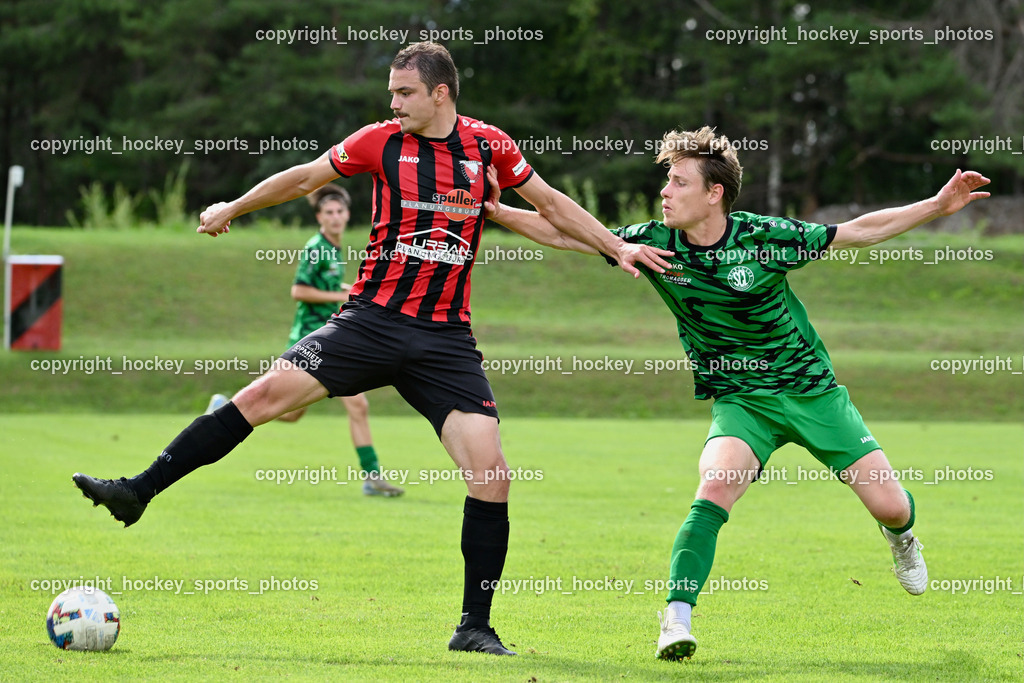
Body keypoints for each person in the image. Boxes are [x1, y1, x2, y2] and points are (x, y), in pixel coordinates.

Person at [72, 41, 672, 656]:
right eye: (391, 91)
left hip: (444, 340)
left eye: (405, 92)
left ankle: (474, 627)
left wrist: (615, 246)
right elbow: (305, 176)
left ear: (441, 93)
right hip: (370, 322)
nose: (393, 102)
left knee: (491, 476)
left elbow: (549, 206)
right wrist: (235, 205)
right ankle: (136, 491)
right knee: (260, 397)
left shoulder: (489, 145)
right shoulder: (379, 141)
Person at [480, 126, 991, 660]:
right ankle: (675, 618)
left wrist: (937, 204)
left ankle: (904, 538)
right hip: (743, 400)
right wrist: (496, 211)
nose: (665, 192)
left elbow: (858, 231)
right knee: (715, 486)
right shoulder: (655, 244)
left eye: (678, 183)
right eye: (666, 182)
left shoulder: (764, 237)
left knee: (889, 507)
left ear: (714, 193)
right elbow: (567, 233)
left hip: (811, 392)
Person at [207, 184, 404, 497]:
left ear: (348, 215)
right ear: (319, 217)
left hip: (330, 335)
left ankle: (225, 408)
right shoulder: (317, 247)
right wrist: (341, 294)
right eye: (329, 212)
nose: (336, 217)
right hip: (312, 338)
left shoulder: (334, 248)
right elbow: (299, 291)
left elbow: (325, 285)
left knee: (292, 413)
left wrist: (346, 289)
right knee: (359, 405)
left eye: (340, 211)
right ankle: (373, 476)